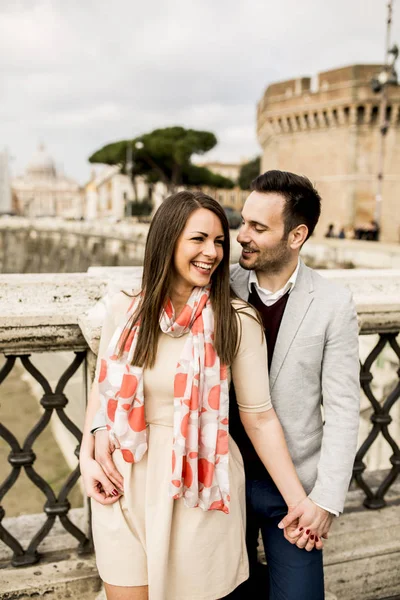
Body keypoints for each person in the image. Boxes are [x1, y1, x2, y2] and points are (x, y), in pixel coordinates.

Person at [79, 190, 322, 600]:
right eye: (199, 239)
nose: (212, 252)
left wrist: (302, 505)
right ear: (167, 239)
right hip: (124, 484)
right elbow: (103, 393)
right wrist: (87, 458)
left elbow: (259, 417)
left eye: (219, 242)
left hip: (198, 487)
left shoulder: (236, 320)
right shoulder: (124, 309)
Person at [228, 170, 360, 600]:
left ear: (296, 235)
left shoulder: (333, 304)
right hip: (220, 483)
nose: (241, 235)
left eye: (258, 227)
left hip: (294, 495)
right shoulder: (218, 286)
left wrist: (324, 501)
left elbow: (343, 410)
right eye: (243, 221)